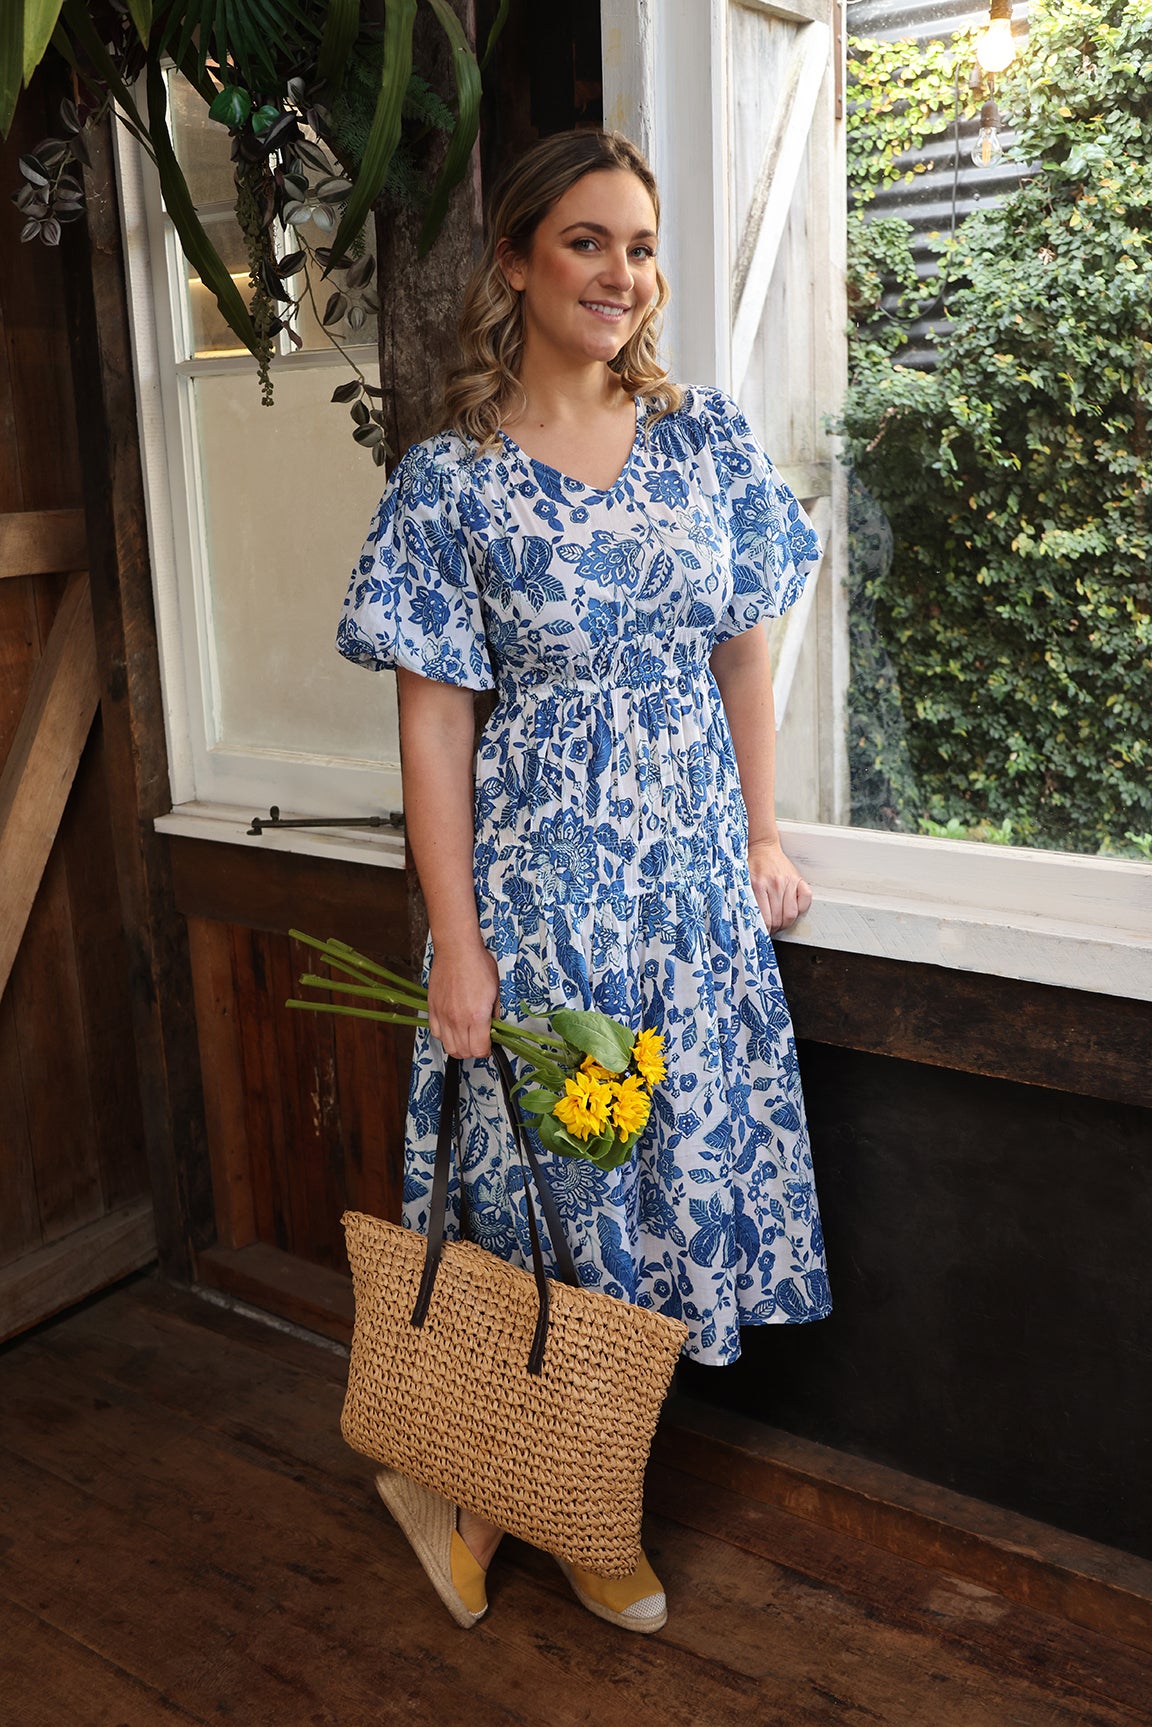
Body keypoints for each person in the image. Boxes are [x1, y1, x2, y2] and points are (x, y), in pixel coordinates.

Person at [336, 128, 830, 1635]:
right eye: (587, 242)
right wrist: (458, 945)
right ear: (516, 260)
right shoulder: (453, 484)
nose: (624, 274)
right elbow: (432, 732)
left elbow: (744, 646)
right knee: (569, 1209)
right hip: (549, 914)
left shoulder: (707, 445)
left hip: (689, 907)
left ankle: (504, 1497)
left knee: (670, 1207)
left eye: (641, 245)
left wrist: (757, 834)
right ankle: (561, 1509)